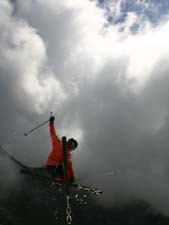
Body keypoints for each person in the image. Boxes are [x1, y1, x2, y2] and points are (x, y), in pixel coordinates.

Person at [46, 116, 78, 184]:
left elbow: (69, 166)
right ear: (69, 142)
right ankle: (58, 179)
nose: (71, 147)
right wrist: (51, 123)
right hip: (52, 166)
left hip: (55, 168)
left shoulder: (68, 155)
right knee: (61, 168)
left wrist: (72, 177)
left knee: (65, 170)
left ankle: (63, 180)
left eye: (73, 147)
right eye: (71, 144)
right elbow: (53, 133)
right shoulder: (58, 143)